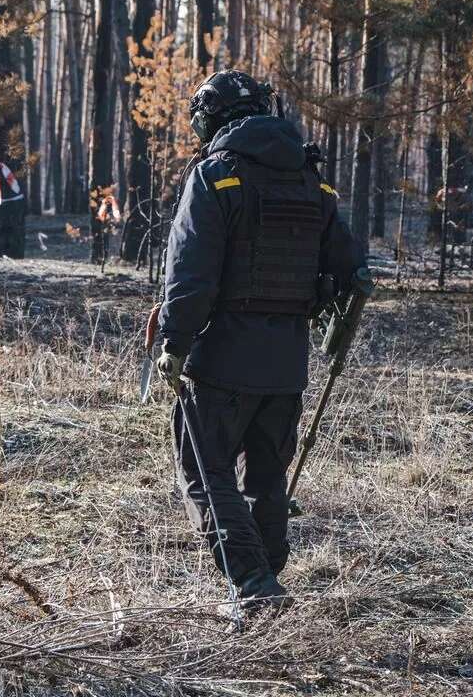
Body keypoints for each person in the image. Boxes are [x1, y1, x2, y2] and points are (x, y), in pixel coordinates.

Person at [155, 70, 364, 610]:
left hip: (222, 358)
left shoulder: (215, 175)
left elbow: (190, 270)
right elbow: (348, 267)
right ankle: (268, 582)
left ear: (211, 119)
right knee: (267, 478)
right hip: (287, 364)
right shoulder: (311, 181)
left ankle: (252, 584)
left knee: (205, 472)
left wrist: (173, 342)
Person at [0, 159, 26, 258]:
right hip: (5, 203)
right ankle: (0, 252)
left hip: (11, 203)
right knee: (2, 228)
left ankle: (9, 252)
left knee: (10, 228)